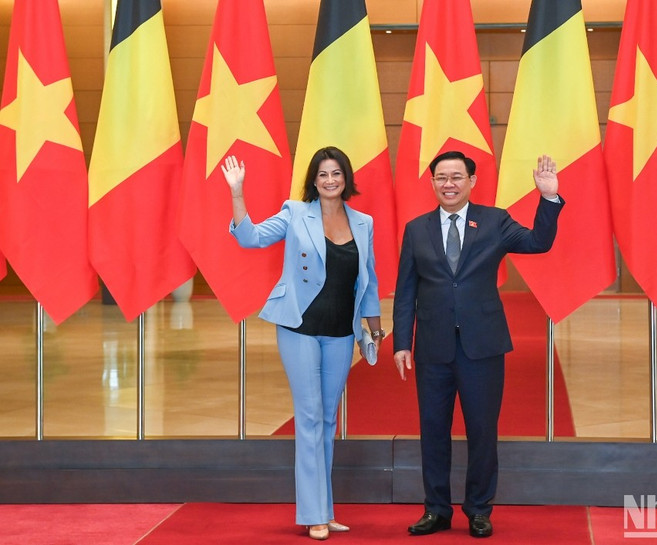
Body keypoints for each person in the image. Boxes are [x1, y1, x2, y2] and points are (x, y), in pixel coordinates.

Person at [392, 150, 563, 538]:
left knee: (482, 431)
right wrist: (403, 341)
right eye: (440, 178)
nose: (448, 184)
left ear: (472, 181)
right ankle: (436, 509)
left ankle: (479, 509)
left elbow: (539, 242)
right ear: (432, 182)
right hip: (432, 348)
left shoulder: (494, 221)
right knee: (432, 430)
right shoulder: (417, 229)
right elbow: (406, 291)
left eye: (456, 177)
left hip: (482, 347)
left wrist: (548, 199)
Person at [224, 147, 384, 541]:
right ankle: (313, 513)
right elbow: (251, 238)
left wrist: (374, 330)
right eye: (323, 174)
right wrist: (237, 193)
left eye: (337, 174)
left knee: (328, 419)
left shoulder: (363, 222)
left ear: (346, 178)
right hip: (298, 326)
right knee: (310, 415)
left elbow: (369, 280)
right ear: (313, 180)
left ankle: (325, 510)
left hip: (342, 332)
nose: (330, 180)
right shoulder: (296, 213)